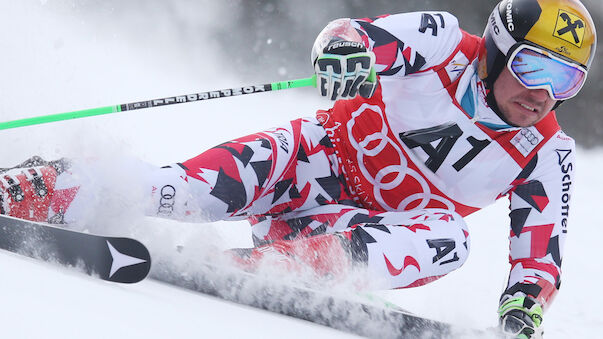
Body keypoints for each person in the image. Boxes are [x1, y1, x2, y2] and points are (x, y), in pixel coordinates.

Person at [0, 0, 596, 337]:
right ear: (496, 50)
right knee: (175, 192)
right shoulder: (443, 43)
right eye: (535, 68)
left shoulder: (547, 151)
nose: (545, 94)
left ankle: (267, 268)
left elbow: (540, 256)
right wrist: (347, 55)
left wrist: (523, 312)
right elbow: (357, 36)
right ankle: (37, 189)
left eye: (567, 80)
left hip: (344, 234)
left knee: (451, 241)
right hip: (302, 162)